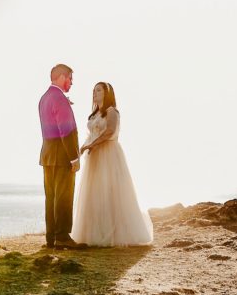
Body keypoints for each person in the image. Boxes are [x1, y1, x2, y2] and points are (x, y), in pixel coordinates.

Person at [72, 82, 154, 247]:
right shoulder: (94, 114)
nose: (95, 93)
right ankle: (95, 233)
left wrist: (92, 144)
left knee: (111, 192)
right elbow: (92, 134)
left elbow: (110, 132)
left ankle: (116, 233)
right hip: (94, 157)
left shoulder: (112, 112)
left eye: (99, 90)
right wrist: (85, 146)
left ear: (107, 93)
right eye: (93, 90)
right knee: (95, 193)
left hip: (108, 154)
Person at [38, 63, 81, 250]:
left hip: (47, 156)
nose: (71, 82)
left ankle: (51, 238)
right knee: (63, 197)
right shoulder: (59, 99)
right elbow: (67, 131)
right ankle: (62, 236)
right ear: (62, 77)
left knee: (51, 197)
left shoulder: (44, 98)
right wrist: (74, 158)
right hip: (62, 156)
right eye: (70, 78)